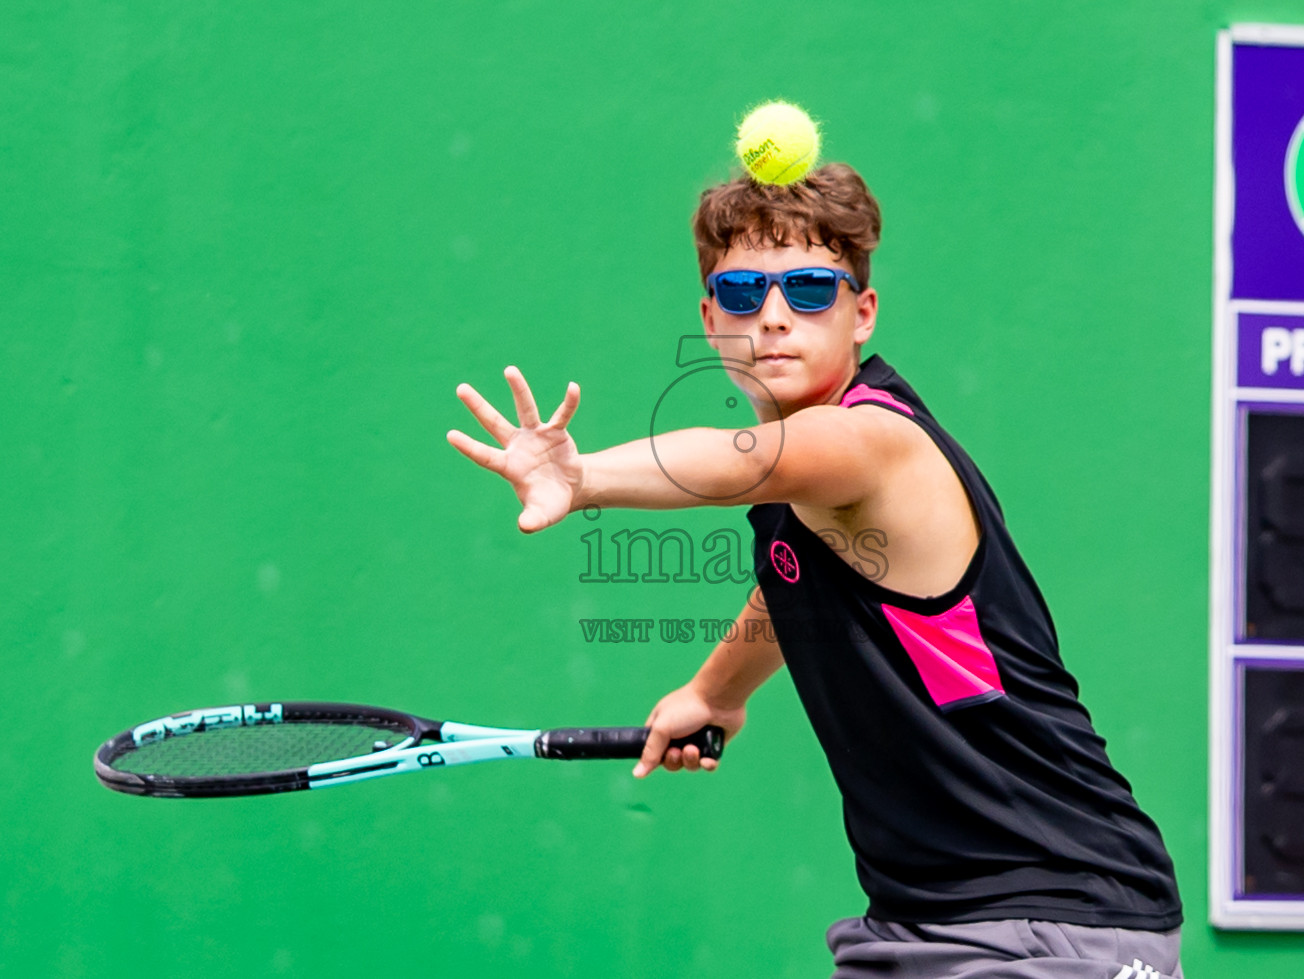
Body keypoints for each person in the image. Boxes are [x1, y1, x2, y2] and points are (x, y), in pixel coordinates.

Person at [447, 163, 1184, 978]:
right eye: (740, 294)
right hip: (918, 923)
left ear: (861, 312)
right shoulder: (811, 501)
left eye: (806, 289)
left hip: (1059, 917)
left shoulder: (868, 441)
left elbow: (740, 461)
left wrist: (584, 479)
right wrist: (716, 690)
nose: (771, 317)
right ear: (708, 317)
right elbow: (793, 582)